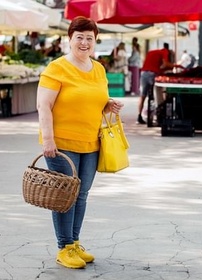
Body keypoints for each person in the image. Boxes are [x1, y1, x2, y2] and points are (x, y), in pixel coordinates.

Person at [36, 16, 124, 269]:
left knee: (82, 194)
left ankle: (74, 243)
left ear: (95, 40)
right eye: (79, 37)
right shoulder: (57, 68)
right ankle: (64, 247)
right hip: (61, 143)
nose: (84, 43)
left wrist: (108, 105)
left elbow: (96, 100)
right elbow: (44, 105)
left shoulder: (98, 69)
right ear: (70, 39)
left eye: (89, 38)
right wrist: (49, 139)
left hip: (91, 141)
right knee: (66, 196)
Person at [137, 43, 175, 124]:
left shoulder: (152, 52)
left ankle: (139, 116)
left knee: (143, 95)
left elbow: (154, 65)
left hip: (143, 73)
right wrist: (174, 65)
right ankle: (159, 115)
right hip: (152, 74)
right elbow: (164, 64)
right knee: (158, 94)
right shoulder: (165, 51)